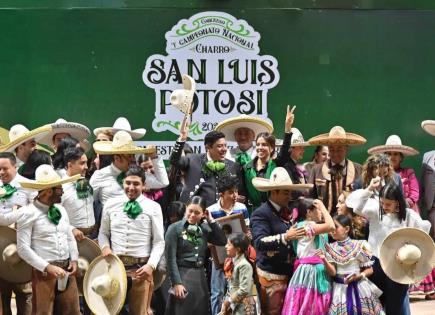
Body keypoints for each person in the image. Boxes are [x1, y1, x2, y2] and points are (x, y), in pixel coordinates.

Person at [346, 180, 431, 314]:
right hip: (376, 265)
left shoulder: (408, 216)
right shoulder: (375, 212)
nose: (384, 206)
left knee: (395, 308)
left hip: (399, 266)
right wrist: (369, 188)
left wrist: (409, 247)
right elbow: (356, 206)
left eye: (388, 204)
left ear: (397, 201)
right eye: (382, 203)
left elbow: (423, 230)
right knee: (375, 306)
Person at [99, 165, 165, 315]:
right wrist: (104, 247)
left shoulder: (153, 207)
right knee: (110, 311)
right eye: (128, 183)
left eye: (136, 184)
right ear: (123, 182)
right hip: (115, 269)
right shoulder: (110, 204)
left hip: (141, 270)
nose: (131, 187)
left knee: (140, 312)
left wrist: (151, 266)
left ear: (144, 185)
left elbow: (159, 241)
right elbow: (103, 233)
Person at [17, 164, 82, 314]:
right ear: (48, 191)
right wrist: (47, 267)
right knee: (43, 312)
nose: (63, 192)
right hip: (44, 272)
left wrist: (74, 259)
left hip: (66, 269)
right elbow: (23, 248)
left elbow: (68, 236)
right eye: (59, 189)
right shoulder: (27, 213)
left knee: (72, 311)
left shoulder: (61, 210)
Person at [250, 167, 312, 315]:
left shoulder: (286, 211)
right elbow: (258, 243)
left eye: (289, 192)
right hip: (271, 274)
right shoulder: (261, 213)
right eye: (285, 192)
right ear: (274, 192)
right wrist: (286, 236)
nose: (289, 196)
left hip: (289, 273)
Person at [164, 196, 227, 315]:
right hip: (182, 275)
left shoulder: (204, 228)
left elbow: (222, 241)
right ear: (186, 208)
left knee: (199, 310)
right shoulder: (174, 228)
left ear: (203, 214)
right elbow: (170, 259)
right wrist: (176, 283)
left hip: (200, 277)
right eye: (190, 211)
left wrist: (211, 220)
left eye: (197, 212)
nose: (192, 215)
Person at [169, 118, 242, 207]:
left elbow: (239, 192)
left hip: (223, 215)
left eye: (225, 145)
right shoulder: (193, 160)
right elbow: (174, 160)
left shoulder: (233, 166)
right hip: (196, 215)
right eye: (219, 146)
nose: (224, 149)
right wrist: (182, 137)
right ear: (208, 147)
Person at [281, 198, 335, 315]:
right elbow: (331, 226)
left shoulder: (307, 226)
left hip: (311, 270)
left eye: (321, 210)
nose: (321, 212)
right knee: (310, 305)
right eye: (318, 210)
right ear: (308, 212)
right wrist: (323, 207)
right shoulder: (306, 227)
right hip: (310, 271)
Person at [321, 214, 384, 315]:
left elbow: (370, 269)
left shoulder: (359, 246)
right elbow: (332, 273)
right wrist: (324, 260)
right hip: (340, 289)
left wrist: (360, 275)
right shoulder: (330, 248)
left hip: (360, 287)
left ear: (346, 229)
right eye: (331, 227)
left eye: (335, 227)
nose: (332, 230)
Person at [208, 176, 250, 315]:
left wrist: (248, 236)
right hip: (218, 258)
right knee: (217, 293)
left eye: (236, 192)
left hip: (238, 258)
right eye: (231, 192)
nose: (235, 196)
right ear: (222, 194)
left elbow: (248, 231)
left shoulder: (242, 208)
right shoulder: (211, 211)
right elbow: (208, 236)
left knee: (238, 290)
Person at [0, 152, 35, 315]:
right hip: (0, 247)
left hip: (20, 247)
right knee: (2, 295)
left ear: (15, 166)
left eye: (4, 168)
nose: (1, 172)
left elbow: (37, 213)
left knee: (24, 293)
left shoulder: (28, 185)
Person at [242, 106, 295, 212]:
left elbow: (285, 150)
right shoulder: (246, 168)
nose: (260, 148)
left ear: (271, 148)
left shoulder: (276, 164)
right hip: (254, 213)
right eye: (258, 144)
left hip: (275, 212)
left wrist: (287, 128)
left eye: (264, 145)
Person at [308, 126, 365, 213]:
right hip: (324, 223)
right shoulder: (316, 170)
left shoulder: (359, 169)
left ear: (346, 149)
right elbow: (310, 197)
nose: (335, 153)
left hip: (350, 223)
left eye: (339, 150)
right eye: (332, 150)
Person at [90, 130, 153, 206]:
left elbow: (163, 183)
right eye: (129, 156)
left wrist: (155, 158)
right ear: (117, 158)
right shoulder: (99, 175)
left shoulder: (137, 174)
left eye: (133, 155)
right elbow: (89, 202)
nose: (133, 159)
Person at [368, 135, 420, 212]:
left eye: (395, 154)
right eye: (389, 154)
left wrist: (401, 205)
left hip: (406, 212)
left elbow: (414, 194)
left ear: (401, 157)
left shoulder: (408, 172)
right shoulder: (378, 174)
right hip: (382, 212)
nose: (392, 157)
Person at [61, 147, 95, 240]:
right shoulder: (60, 188)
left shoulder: (85, 183)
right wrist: (71, 229)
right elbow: (52, 216)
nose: (86, 167)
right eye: (82, 163)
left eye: (86, 162)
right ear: (70, 165)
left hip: (92, 237)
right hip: (70, 238)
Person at [220, 234, 256, 315]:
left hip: (243, 308)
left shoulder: (244, 265)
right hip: (235, 305)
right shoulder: (232, 262)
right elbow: (231, 286)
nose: (226, 246)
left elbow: (244, 289)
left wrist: (229, 301)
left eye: (229, 245)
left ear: (238, 249)